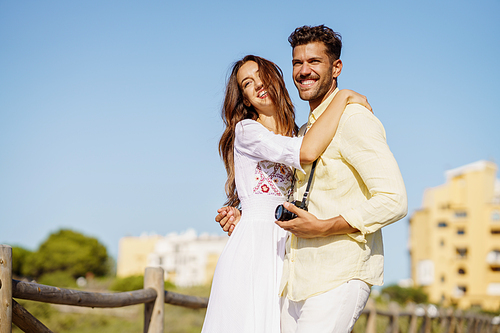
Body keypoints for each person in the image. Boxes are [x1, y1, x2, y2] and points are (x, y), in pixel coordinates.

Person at [217, 25, 408, 333]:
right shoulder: (303, 133)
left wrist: (324, 227)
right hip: (295, 279)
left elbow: (394, 200)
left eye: (314, 62)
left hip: (338, 273)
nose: (304, 71)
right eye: (297, 63)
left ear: (337, 68)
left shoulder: (353, 118)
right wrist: (245, 212)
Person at [201, 54, 371, 333]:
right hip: (256, 247)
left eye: (261, 76)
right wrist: (343, 97)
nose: (257, 85)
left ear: (275, 79)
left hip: (291, 247)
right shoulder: (247, 130)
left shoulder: (296, 134)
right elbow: (307, 153)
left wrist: (239, 212)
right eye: (247, 83)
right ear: (244, 99)